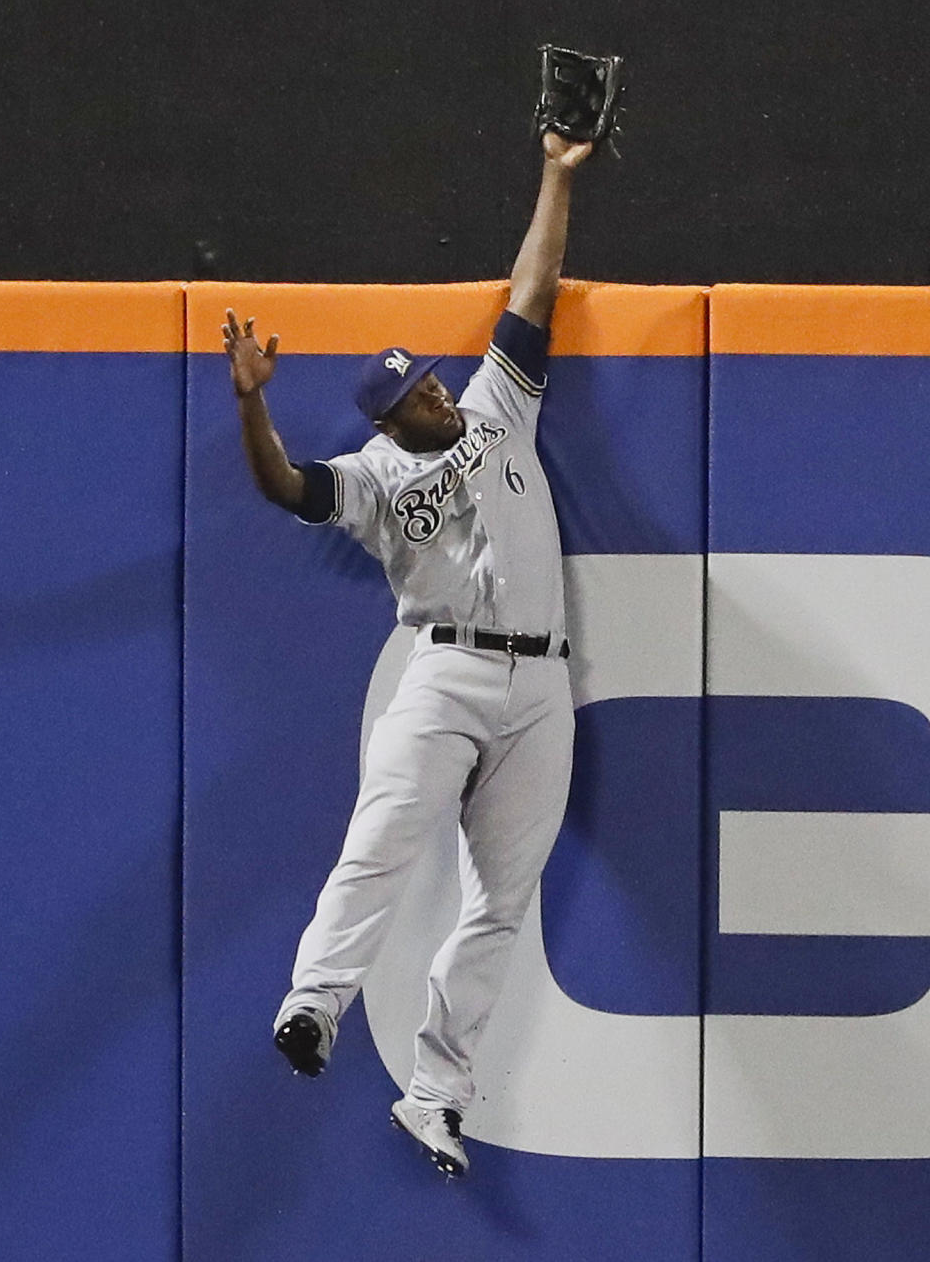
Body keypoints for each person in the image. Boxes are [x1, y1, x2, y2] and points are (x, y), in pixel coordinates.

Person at [223, 130, 593, 1176]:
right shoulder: (379, 475)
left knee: (502, 898)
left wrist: (556, 174)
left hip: (541, 681)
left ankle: (438, 1093)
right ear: (388, 418)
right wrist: (251, 400)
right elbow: (288, 488)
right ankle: (314, 1003)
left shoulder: (495, 409)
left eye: (432, 381)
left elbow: (532, 290)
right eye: (415, 395)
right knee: (380, 841)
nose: (436, 393)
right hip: (446, 670)